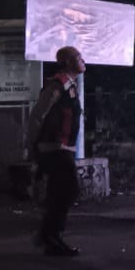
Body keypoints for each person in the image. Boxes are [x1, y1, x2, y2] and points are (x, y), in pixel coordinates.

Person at [25, 46, 86, 257]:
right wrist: (32, 147)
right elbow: (37, 117)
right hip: (53, 148)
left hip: (63, 148)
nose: (83, 60)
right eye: (79, 57)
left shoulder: (71, 86)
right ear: (68, 62)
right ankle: (50, 235)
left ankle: (49, 237)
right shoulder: (57, 86)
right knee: (69, 190)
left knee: (59, 192)